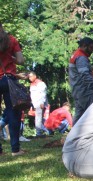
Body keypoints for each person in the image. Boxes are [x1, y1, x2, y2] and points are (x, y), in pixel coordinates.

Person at [0, 22, 25, 156]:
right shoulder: (11, 40)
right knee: (13, 112)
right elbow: (21, 60)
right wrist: (11, 58)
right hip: (8, 79)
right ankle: (15, 149)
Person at [69, 37, 93, 124]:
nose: (92, 50)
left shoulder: (76, 55)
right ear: (84, 46)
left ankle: (73, 135)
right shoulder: (81, 58)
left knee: (79, 114)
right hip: (84, 91)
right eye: (91, 48)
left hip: (77, 90)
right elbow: (85, 74)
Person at [28, 71, 49, 137]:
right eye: (29, 77)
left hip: (40, 103)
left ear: (35, 76)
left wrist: (42, 102)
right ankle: (42, 131)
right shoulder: (32, 84)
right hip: (35, 104)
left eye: (31, 76)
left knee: (38, 118)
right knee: (38, 118)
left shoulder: (40, 83)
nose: (29, 78)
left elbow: (43, 94)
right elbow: (32, 95)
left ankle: (39, 133)